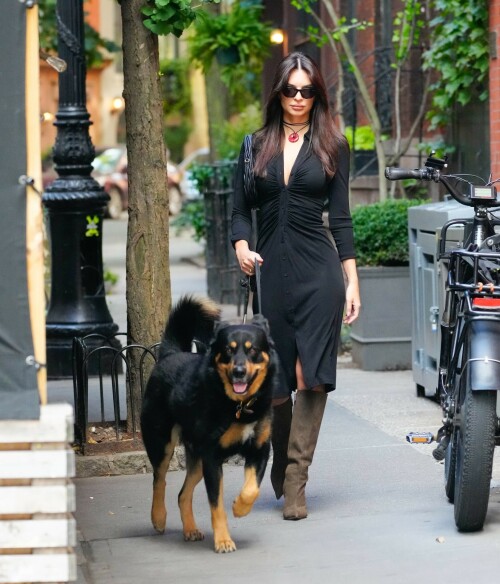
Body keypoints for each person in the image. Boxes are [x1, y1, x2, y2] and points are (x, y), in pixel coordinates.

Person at [231, 52, 361, 520]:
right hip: (270, 272)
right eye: (291, 90)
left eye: (307, 91)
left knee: (311, 376)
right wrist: (241, 247)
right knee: (278, 384)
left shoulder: (332, 144)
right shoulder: (255, 145)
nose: (299, 99)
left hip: (319, 272)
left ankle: (296, 481)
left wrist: (352, 282)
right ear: (278, 93)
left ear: (317, 94)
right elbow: (239, 209)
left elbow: (341, 219)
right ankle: (282, 463)